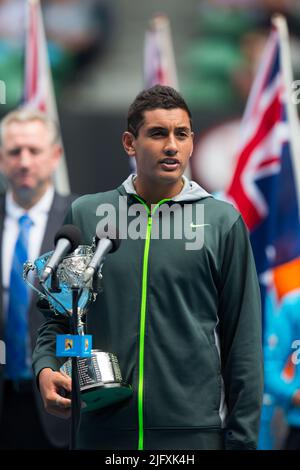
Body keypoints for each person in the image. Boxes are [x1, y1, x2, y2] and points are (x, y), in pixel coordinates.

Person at [33, 85, 263, 450]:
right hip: (102, 432)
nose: (171, 145)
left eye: (181, 134)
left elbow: (244, 342)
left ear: (191, 142)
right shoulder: (88, 214)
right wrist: (47, 366)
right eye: (158, 133)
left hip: (192, 436)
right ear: (129, 142)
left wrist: (243, 440)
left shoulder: (221, 221)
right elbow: (60, 318)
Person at [0, 108, 75, 449]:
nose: (25, 161)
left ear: (55, 155)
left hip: (60, 405)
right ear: (2, 158)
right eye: (15, 151)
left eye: (34, 150)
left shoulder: (78, 223)